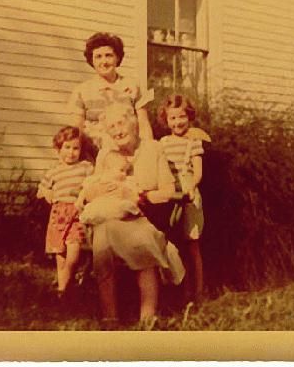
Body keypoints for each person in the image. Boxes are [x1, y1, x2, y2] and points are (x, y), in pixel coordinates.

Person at [89, 103, 185, 328]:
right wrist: (108, 192)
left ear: (132, 122)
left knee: (141, 239)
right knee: (102, 239)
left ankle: (147, 316)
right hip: (111, 217)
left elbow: (169, 191)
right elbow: (92, 190)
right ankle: (110, 317)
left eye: (121, 123)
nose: (117, 130)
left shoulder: (153, 149)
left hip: (144, 217)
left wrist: (143, 196)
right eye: (111, 127)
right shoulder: (105, 155)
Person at [157, 94, 210, 303]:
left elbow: (197, 173)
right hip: (169, 191)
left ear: (189, 117)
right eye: (173, 118)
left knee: (192, 244)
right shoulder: (163, 143)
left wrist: (191, 187)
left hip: (188, 192)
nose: (178, 122)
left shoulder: (193, 142)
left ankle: (197, 292)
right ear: (166, 120)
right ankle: (177, 289)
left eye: (181, 117)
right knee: (171, 242)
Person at [67, 32, 153, 149]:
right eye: (98, 57)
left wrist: (148, 151)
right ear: (92, 61)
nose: (104, 62)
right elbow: (76, 130)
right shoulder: (82, 91)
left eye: (109, 55)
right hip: (95, 156)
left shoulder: (132, 86)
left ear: (117, 58)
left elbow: (143, 125)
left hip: (130, 155)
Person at [37, 126, 94, 299]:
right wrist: (48, 194)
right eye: (67, 148)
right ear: (58, 150)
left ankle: (66, 285)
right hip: (58, 214)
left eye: (75, 148)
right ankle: (63, 292)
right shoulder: (54, 171)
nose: (71, 152)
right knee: (60, 255)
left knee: (74, 254)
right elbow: (41, 189)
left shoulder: (85, 167)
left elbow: (93, 184)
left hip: (77, 213)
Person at [76, 151, 141, 226]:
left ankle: (127, 208)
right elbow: (86, 189)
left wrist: (135, 195)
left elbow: (133, 191)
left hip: (116, 203)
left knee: (122, 205)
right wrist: (80, 200)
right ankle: (87, 217)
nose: (124, 174)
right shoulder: (98, 179)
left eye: (126, 171)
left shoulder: (125, 182)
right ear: (108, 169)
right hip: (100, 203)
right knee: (92, 207)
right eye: (122, 170)